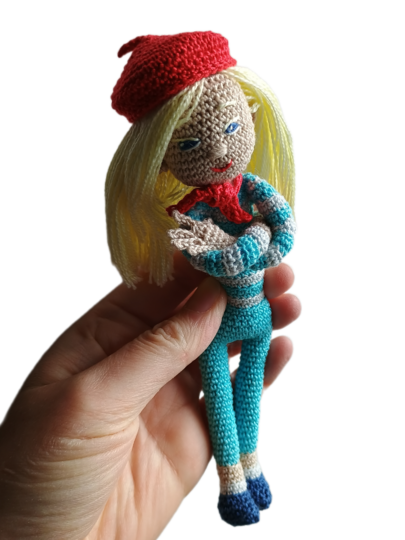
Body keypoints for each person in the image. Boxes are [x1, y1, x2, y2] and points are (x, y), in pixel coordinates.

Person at [0, 252, 302, 540]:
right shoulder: (207, 232)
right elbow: (205, 255)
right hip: (220, 324)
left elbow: (278, 241)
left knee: (249, 397)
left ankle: (252, 467)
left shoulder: (257, 227)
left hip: (255, 319)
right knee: (220, 400)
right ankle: (231, 483)